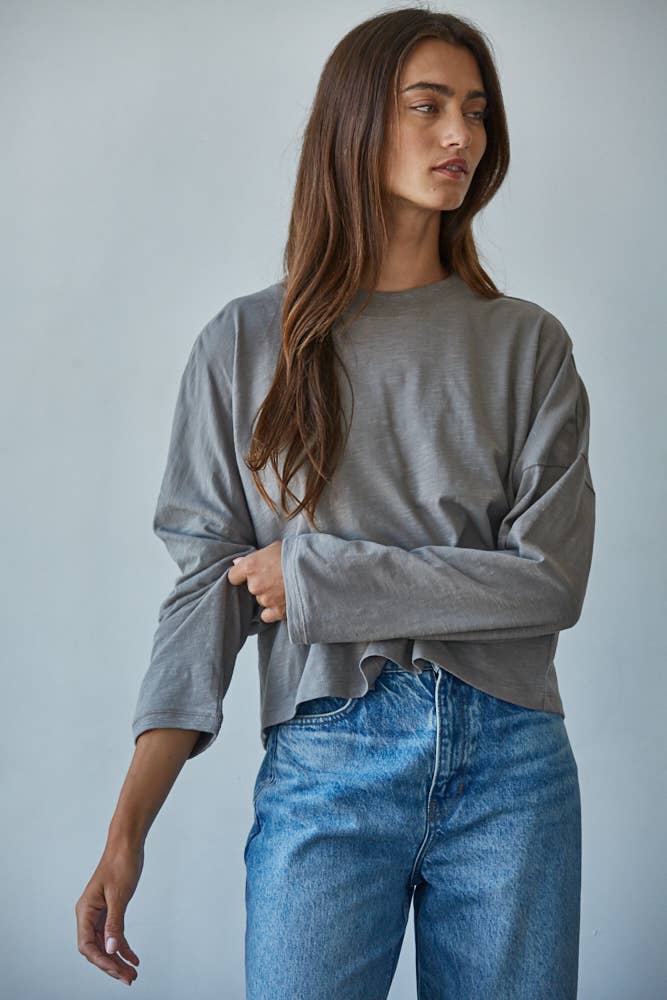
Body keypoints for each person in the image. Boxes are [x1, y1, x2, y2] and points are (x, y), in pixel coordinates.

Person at [75, 8, 596, 998]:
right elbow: (207, 593)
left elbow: (548, 584)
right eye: (427, 106)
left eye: (476, 110)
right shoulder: (244, 345)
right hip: (326, 757)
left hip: (512, 765)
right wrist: (127, 827)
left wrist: (316, 575)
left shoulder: (528, 346)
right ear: (355, 121)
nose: (461, 134)